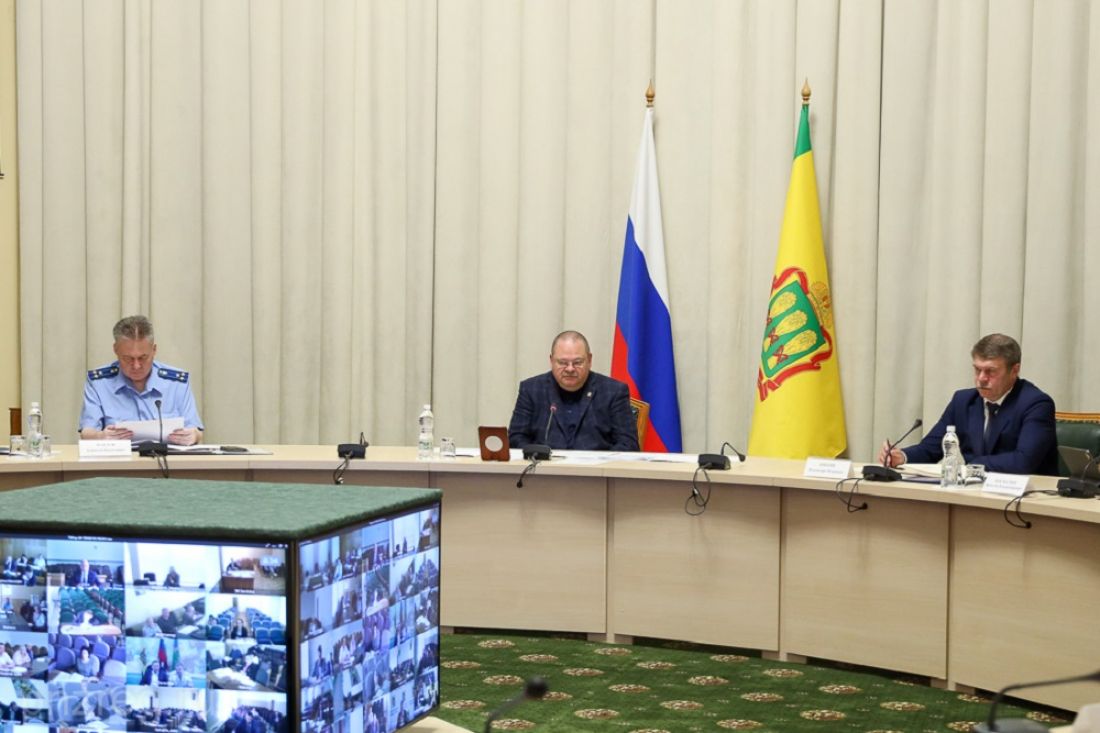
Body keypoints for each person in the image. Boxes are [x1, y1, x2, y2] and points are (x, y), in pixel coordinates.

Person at [878, 333, 1058, 475]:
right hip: (976, 492)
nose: (981, 378)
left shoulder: (1036, 404)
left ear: (1014, 370)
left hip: (1027, 498)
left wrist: (972, 466)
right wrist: (901, 456)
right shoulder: (963, 401)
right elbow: (931, 448)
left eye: (990, 371)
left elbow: (1024, 461)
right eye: (977, 369)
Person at [79, 315, 204, 445]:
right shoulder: (99, 383)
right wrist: (100, 436)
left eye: (143, 358)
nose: (136, 366)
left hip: (166, 457)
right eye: (128, 358)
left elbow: (196, 431)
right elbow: (86, 432)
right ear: (115, 350)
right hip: (118, 457)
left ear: (154, 350)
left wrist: (193, 436)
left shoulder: (176, 383)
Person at [508, 330, 639, 451]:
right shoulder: (531, 389)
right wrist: (538, 456)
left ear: (589, 360)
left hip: (595, 467)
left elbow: (628, 444)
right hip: (544, 466)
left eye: (577, 362)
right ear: (551, 361)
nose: (570, 369)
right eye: (562, 362)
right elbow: (515, 439)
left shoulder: (614, 391)